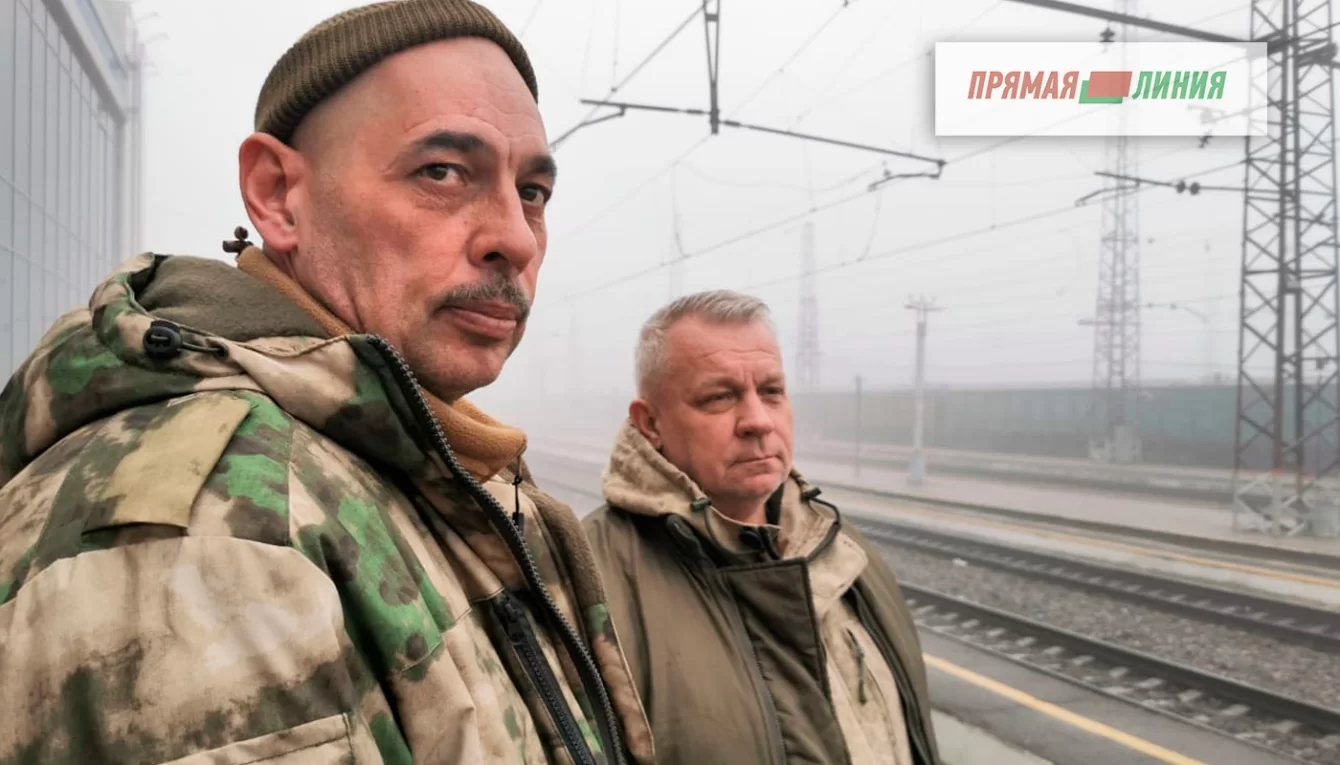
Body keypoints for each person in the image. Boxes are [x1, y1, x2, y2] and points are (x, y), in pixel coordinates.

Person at [0, 2, 654, 763]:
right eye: (442, 172)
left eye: (532, 192)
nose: (514, 237)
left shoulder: (387, 460)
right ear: (278, 194)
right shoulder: (213, 530)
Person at [582, 290, 942, 765]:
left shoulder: (845, 552)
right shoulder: (588, 580)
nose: (757, 421)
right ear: (650, 423)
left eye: (771, 391)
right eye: (719, 397)